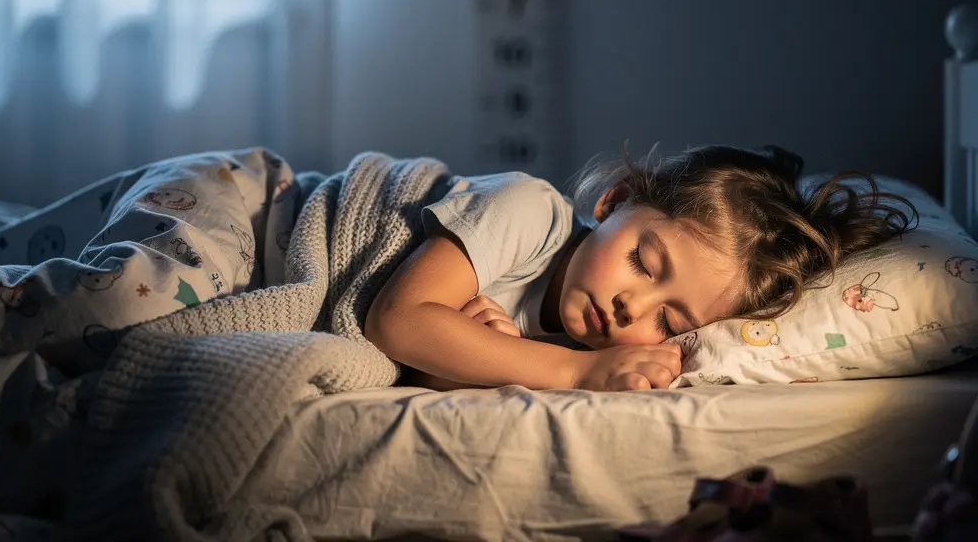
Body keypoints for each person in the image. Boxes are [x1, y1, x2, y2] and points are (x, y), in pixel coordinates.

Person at [364, 143, 917, 392]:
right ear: (617, 199)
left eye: (671, 324)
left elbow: (422, 365)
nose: (635, 308)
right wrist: (571, 375)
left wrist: (466, 360)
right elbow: (398, 323)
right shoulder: (528, 210)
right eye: (643, 262)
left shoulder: (592, 350)